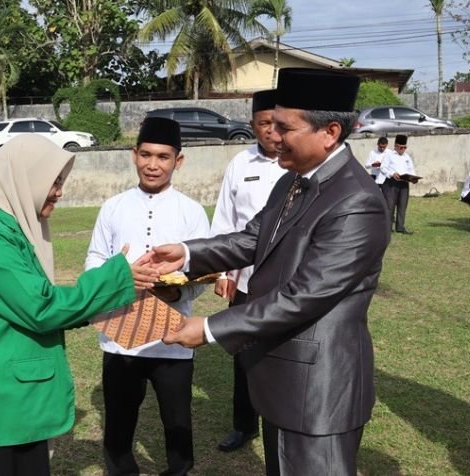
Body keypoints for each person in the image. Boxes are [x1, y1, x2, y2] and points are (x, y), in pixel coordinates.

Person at [148, 68, 390, 475]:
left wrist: (209, 329)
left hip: (319, 391)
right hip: (282, 377)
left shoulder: (356, 202)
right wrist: (187, 254)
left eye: (284, 127)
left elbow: (303, 296)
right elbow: (250, 239)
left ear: (330, 132)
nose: (271, 136)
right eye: (270, 125)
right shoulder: (293, 179)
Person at [0, 135, 154, 476]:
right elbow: (41, 308)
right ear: (25, 180)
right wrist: (114, 279)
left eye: (60, 182)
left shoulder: (16, 233)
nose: (59, 192)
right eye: (53, 182)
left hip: (8, 403)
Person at [85, 116, 210, 476]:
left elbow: (203, 268)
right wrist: (121, 277)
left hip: (172, 338)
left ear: (178, 161)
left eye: (163, 157)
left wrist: (176, 289)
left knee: (177, 421)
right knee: (119, 423)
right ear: (133, 155)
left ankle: (178, 471)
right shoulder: (114, 206)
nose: (153, 164)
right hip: (120, 336)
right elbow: (94, 260)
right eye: (146, 154)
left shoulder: (191, 211)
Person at [209, 89, 286, 453]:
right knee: (243, 355)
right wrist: (222, 273)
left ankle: (281, 421)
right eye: (263, 124)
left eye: (277, 123)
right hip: (245, 279)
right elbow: (225, 220)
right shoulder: (240, 164)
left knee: (284, 354)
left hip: (287, 282)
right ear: (252, 125)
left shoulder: (298, 164)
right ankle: (244, 425)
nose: (271, 132)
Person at [378, 134, 418, 234]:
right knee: (390, 206)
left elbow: (411, 170)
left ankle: (400, 227)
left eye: (405, 147)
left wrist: (413, 178)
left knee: (402, 206)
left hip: (404, 183)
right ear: (395, 146)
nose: (403, 149)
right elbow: (383, 168)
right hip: (391, 183)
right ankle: (388, 228)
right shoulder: (389, 155)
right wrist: (392, 174)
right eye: (401, 147)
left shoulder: (407, 157)